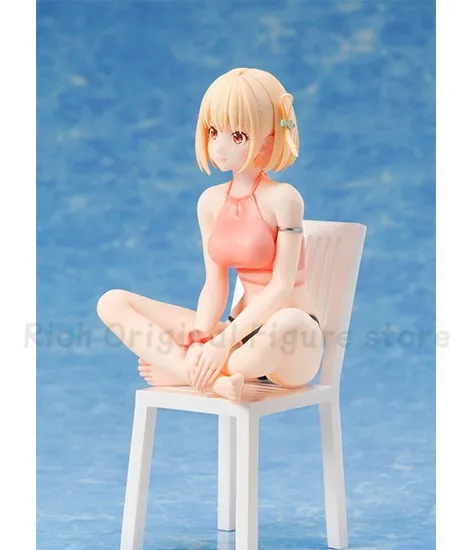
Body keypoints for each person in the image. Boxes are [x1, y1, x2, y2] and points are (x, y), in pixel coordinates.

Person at [96, 67, 324, 403]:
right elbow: (215, 284)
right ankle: (211, 379)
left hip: (292, 341)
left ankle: (181, 372)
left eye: (238, 136)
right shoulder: (210, 202)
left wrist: (220, 345)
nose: (219, 146)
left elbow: (281, 287)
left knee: (286, 321)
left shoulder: (284, 198)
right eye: (214, 131)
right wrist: (202, 338)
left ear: (269, 136)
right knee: (113, 302)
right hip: (238, 336)